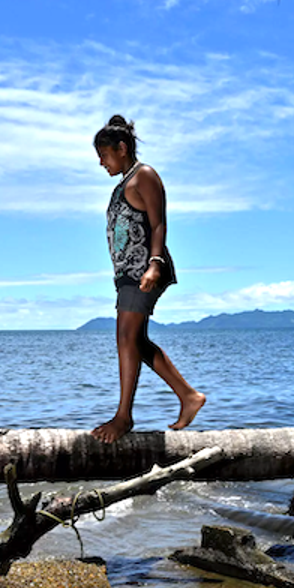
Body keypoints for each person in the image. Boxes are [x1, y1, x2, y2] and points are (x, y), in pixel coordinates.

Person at [91, 115, 206, 444]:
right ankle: (188, 396)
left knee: (126, 339)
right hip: (128, 274)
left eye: (104, 155)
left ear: (122, 148)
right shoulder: (122, 184)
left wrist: (154, 263)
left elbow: (158, 224)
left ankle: (123, 417)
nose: (101, 163)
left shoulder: (145, 176)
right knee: (135, 342)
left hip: (145, 269)